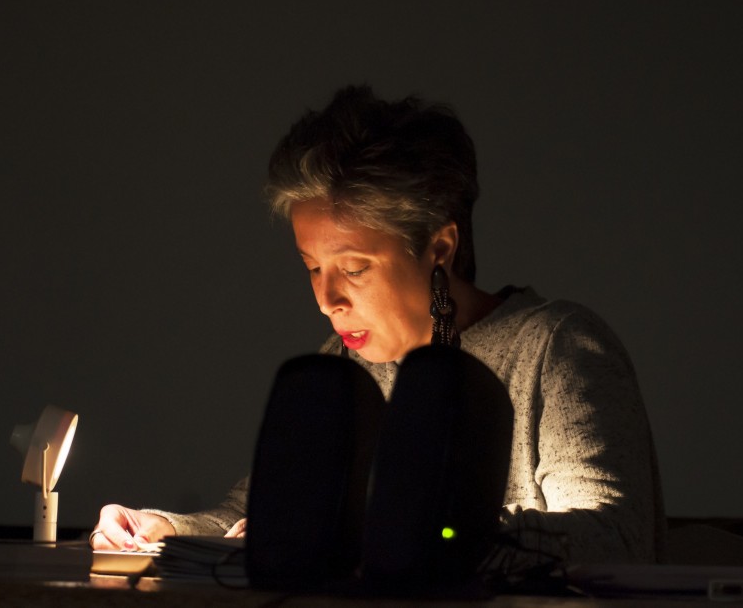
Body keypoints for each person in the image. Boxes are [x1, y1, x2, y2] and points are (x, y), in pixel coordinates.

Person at [90, 85, 665, 565]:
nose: (327, 300)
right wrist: (162, 528)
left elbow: (613, 537)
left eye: (354, 269)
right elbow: (262, 512)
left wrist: (395, 526)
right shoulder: (344, 366)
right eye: (312, 267)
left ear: (439, 248)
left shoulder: (555, 347)